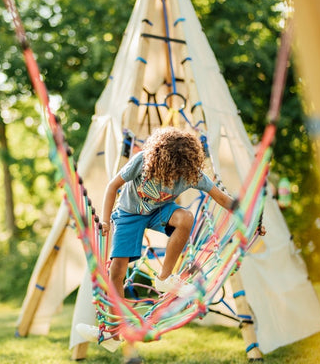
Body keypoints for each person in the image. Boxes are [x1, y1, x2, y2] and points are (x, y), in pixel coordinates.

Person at [101, 127, 235, 300]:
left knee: (186, 218)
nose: (172, 178)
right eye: (168, 172)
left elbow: (222, 198)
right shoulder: (143, 161)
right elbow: (112, 186)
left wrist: (250, 215)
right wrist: (105, 220)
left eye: (178, 174)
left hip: (159, 211)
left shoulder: (192, 174)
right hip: (128, 213)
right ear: (157, 161)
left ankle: (165, 278)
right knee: (117, 270)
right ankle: (116, 324)